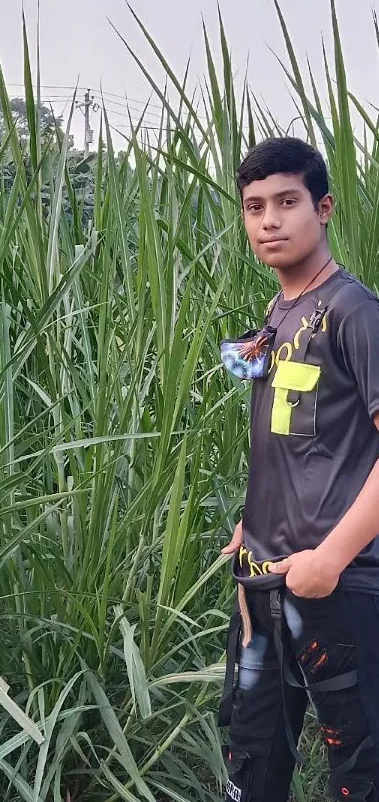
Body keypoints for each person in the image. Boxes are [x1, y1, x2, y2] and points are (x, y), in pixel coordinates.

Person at [218, 137, 379, 802]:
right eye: (253, 206)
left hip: (335, 585)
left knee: (360, 768)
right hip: (262, 575)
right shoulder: (278, 311)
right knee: (252, 756)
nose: (269, 221)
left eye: (287, 202)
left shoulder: (353, 312)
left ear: (325, 209)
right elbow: (299, 441)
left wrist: (331, 558)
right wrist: (253, 516)